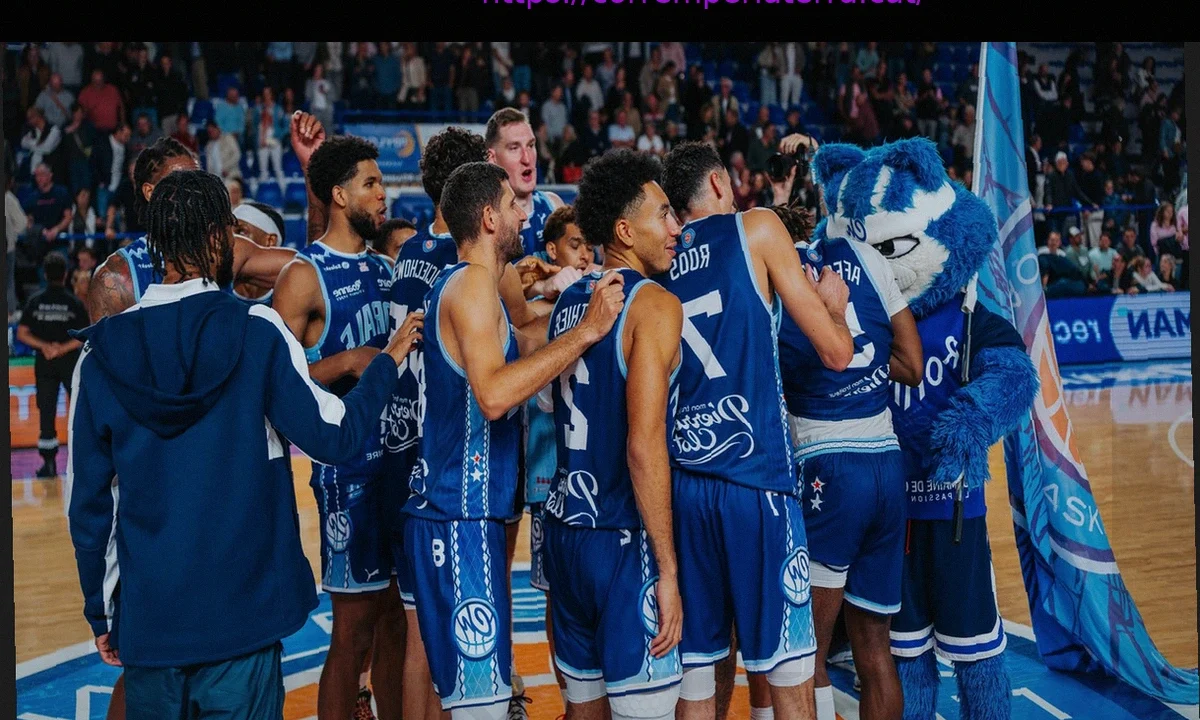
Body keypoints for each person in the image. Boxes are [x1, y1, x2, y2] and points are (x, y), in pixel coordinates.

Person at [66, 169, 422, 720]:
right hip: (244, 615)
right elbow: (336, 437)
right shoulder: (258, 330)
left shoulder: (100, 353)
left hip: (152, 617)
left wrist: (100, 610)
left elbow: (87, 505)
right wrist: (386, 363)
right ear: (219, 239)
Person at [402, 161, 624, 720]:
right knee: (482, 706)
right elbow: (496, 395)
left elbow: (526, 347)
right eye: (512, 205)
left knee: (470, 699)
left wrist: (576, 307)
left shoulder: (469, 286)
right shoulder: (474, 286)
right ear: (487, 217)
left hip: (457, 515)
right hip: (459, 516)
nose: (524, 213)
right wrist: (587, 330)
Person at [656, 141, 854, 720]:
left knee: (699, 677)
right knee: (789, 675)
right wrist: (833, 306)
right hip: (757, 479)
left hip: (686, 487)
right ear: (720, 182)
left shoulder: (657, 263)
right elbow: (836, 352)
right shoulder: (758, 228)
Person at [541, 148, 685, 720]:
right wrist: (668, 568)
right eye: (663, 215)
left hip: (565, 533)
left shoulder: (569, 300)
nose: (675, 228)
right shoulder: (654, 305)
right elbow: (643, 448)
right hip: (622, 538)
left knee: (584, 709)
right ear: (625, 231)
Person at [270, 134, 405, 720]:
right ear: (339, 195)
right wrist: (348, 362)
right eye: (371, 183)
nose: (382, 194)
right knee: (353, 629)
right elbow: (272, 377)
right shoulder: (304, 276)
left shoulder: (385, 267)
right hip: (347, 474)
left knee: (397, 617)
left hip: (399, 464)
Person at [771, 203, 923, 720]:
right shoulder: (864, 256)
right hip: (887, 464)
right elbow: (913, 364)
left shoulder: (773, 274)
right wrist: (866, 370)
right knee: (875, 651)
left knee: (808, 651)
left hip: (828, 467)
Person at [85, 137, 296, 323]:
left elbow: (307, 273)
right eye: (181, 182)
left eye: (198, 181)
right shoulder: (116, 277)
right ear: (150, 192)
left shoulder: (224, 248)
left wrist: (306, 167)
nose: (197, 192)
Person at [16, 251, 88, 478]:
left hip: (44, 363)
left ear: (45, 274)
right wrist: (61, 348)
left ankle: (49, 466)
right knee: (79, 411)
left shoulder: (35, 301)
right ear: (65, 274)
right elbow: (84, 335)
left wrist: (45, 347)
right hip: (70, 364)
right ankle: (84, 461)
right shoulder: (74, 303)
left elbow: (22, 333)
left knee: (46, 412)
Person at [486, 107, 567, 258]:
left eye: (530, 145)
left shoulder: (553, 205)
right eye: (514, 148)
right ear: (492, 158)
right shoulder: (485, 221)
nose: (527, 158)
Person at [231, 201, 287, 304]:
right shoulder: (216, 287)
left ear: (270, 241)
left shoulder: (291, 295)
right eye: (228, 232)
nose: (232, 239)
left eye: (241, 232)